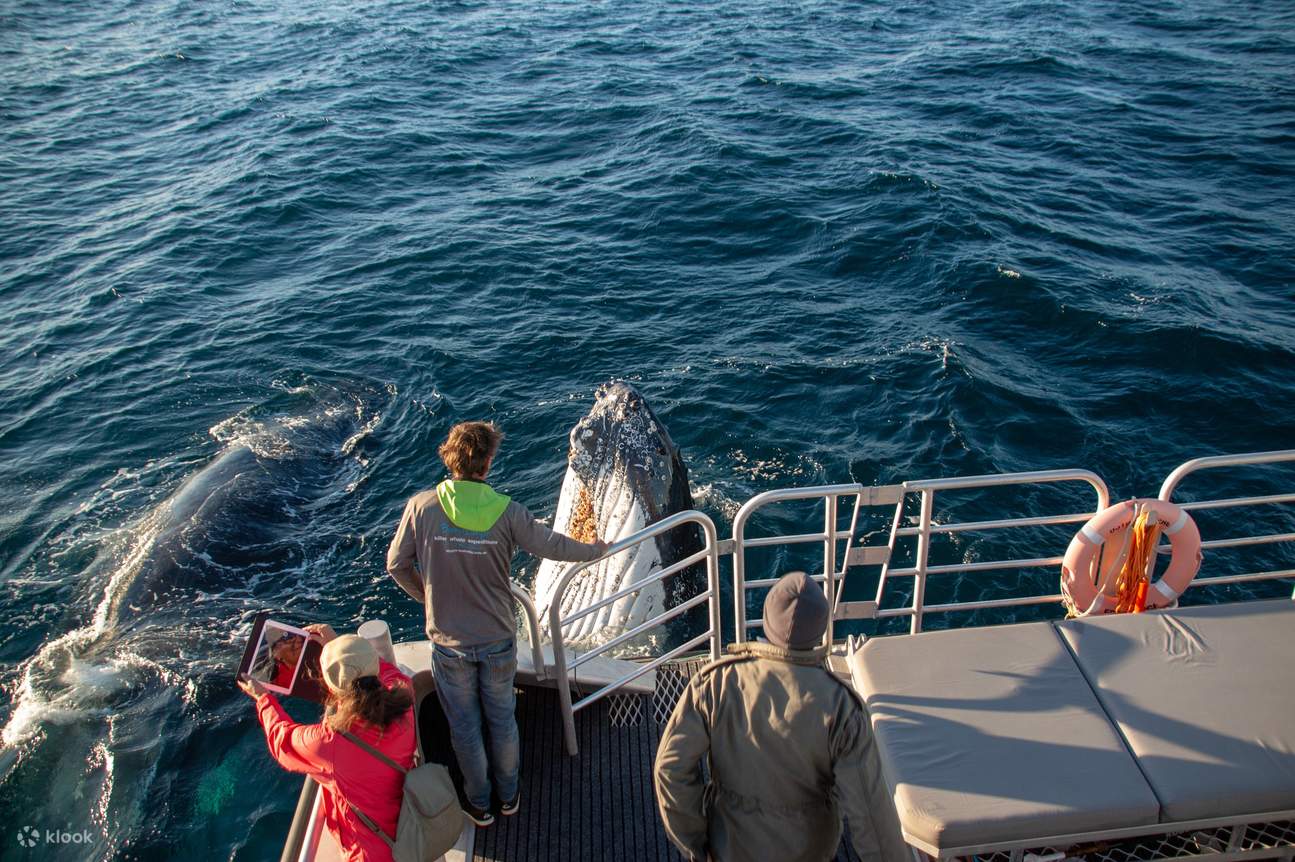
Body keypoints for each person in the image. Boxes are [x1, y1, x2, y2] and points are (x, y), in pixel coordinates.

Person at [386, 420, 607, 827]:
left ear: (450, 458)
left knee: (465, 729)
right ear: (487, 463)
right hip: (498, 640)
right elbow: (552, 546)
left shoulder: (421, 507)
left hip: (449, 644)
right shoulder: (509, 512)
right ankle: (509, 796)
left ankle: (480, 804)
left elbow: (396, 564)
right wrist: (595, 550)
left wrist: (427, 597)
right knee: (503, 721)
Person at [654, 572, 908, 862]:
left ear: (766, 617)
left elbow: (670, 769)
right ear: (820, 631)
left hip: (729, 848)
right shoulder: (841, 707)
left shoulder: (715, 683)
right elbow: (872, 817)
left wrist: (696, 846)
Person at [239, 625, 416, 862]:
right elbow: (386, 672)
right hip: (414, 826)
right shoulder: (404, 694)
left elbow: (282, 740)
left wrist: (263, 698)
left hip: (373, 854)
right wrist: (342, 647)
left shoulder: (328, 743)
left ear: (331, 686)